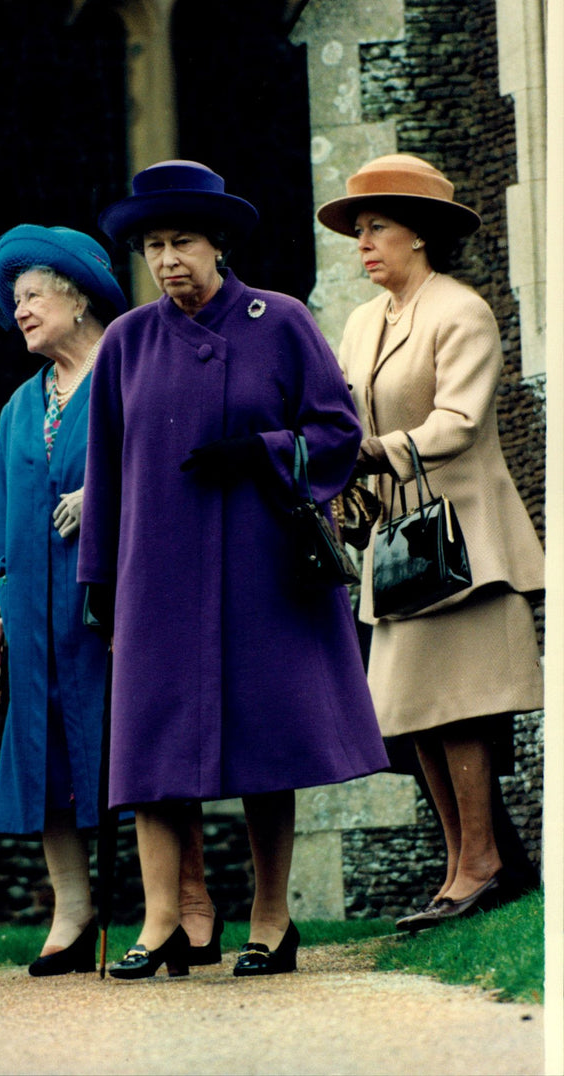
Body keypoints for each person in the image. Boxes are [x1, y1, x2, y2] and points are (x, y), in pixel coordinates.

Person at [78, 160, 389, 980]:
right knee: (149, 750)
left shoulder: (279, 322)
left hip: (261, 566)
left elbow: (337, 434)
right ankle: (160, 922)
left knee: (263, 744)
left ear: (218, 243)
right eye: (152, 244)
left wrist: (259, 451)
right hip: (158, 576)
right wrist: (99, 582)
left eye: (182, 240)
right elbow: (105, 473)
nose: (168, 258)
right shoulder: (126, 343)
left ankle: (271, 918)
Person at [317, 153, 545, 931]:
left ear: (421, 235)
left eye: (377, 226)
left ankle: (480, 862)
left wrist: (373, 455)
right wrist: (343, 484)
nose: (363, 243)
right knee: (412, 711)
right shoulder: (360, 321)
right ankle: (464, 863)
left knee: (462, 705)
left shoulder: (461, 311)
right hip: (399, 545)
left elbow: (459, 422)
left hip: (464, 541)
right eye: (360, 230)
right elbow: (348, 419)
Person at [0, 225, 131, 975]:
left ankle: (176, 908)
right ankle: (70, 912)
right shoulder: (18, 406)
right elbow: (5, 507)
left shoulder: (128, 374)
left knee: (121, 746)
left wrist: (99, 499)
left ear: (77, 300)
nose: (21, 312)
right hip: (33, 611)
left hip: (107, 602)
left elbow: (162, 471)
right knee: (42, 750)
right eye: (15, 302)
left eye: (33, 296)